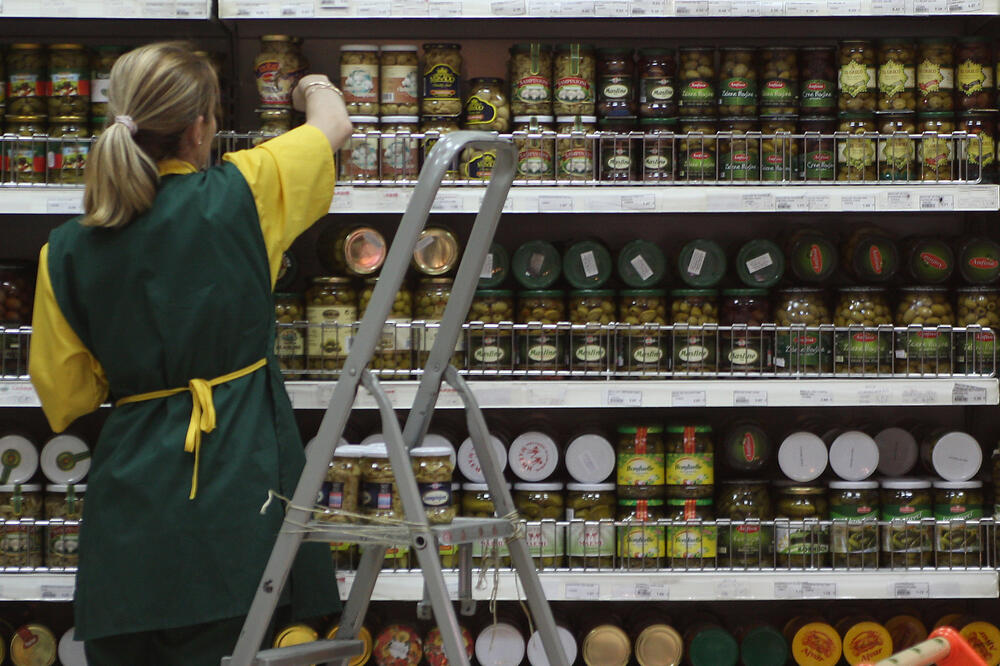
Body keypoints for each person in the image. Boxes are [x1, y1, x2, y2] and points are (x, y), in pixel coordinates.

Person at [28, 42, 353, 665]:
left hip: (130, 512)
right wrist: (311, 84)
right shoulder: (244, 192)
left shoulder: (64, 250)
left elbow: (68, 398)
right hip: (238, 483)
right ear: (201, 126)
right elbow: (331, 125)